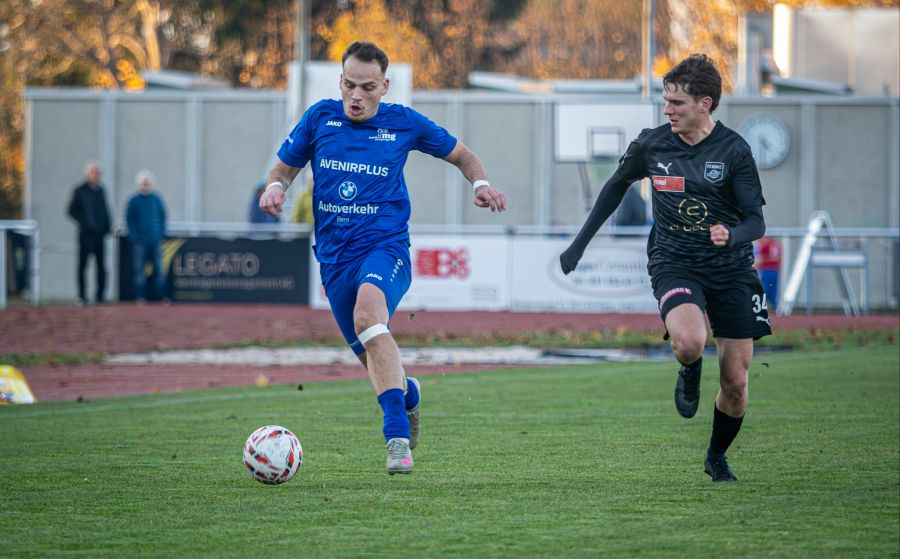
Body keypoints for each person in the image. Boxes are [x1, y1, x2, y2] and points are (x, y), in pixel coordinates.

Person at [259, 41, 507, 475]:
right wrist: (275, 187)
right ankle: (408, 395)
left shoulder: (404, 123)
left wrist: (479, 184)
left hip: (384, 248)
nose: (356, 95)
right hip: (334, 261)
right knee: (372, 353)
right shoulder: (320, 117)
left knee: (369, 316)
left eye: (367, 87)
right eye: (349, 85)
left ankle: (396, 438)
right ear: (340, 81)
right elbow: (283, 167)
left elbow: (463, 155)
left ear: (384, 86)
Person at [559, 54, 770, 483]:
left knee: (735, 382)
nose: (667, 109)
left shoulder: (734, 150)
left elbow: (756, 221)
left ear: (705, 104)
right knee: (691, 341)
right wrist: (579, 245)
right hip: (675, 262)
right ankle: (689, 367)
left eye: (677, 102)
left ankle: (715, 456)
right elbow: (613, 189)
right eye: (665, 100)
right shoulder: (651, 144)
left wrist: (731, 234)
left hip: (731, 270)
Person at [67, 161, 112, 305]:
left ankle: (100, 295)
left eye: (98, 172)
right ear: (88, 174)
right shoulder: (79, 190)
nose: (96, 175)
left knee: (101, 267)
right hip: (85, 235)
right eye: (94, 172)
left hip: (100, 236)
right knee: (83, 266)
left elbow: (105, 210)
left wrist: (107, 227)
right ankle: (81, 296)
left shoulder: (101, 190)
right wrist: (85, 223)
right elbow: (71, 211)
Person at [126, 170, 167, 301]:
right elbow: (130, 220)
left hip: (155, 241)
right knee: (139, 271)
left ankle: (159, 296)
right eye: (143, 183)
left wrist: (160, 234)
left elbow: (162, 217)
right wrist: (135, 237)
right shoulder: (133, 200)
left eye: (147, 182)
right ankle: (140, 296)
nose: (145, 185)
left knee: (159, 270)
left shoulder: (157, 199)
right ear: (138, 184)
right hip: (140, 242)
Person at [753, 236, 781, 312]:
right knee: (773, 290)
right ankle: (775, 309)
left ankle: (763, 309)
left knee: (764, 290)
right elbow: (779, 259)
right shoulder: (777, 245)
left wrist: (755, 268)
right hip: (775, 270)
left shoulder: (765, 246)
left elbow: (760, 260)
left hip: (766, 270)